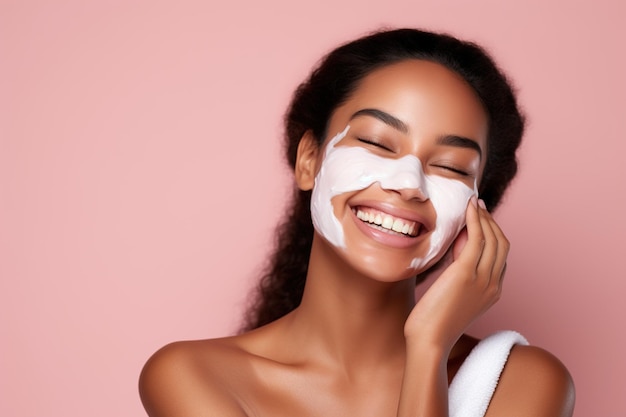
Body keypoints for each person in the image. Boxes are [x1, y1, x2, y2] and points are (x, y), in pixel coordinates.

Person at [139, 28, 575, 416]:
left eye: (452, 167)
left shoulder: (524, 383)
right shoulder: (194, 376)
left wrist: (428, 346)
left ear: (476, 209)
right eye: (376, 142)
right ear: (309, 160)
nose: (409, 184)